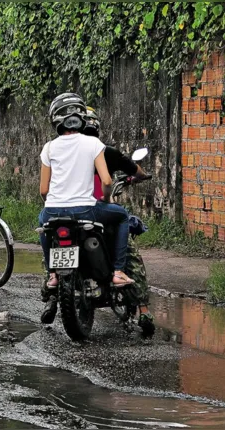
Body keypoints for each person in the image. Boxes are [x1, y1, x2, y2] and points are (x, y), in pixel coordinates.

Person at [39, 93, 135, 325]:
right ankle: (118, 271)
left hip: (52, 209)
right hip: (85, 210)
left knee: (44, 227)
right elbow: (107, 181)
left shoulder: (49, 147)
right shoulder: (93, 143)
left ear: (55, 120)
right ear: (82, 117)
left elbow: (43, 189)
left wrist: (54, 204)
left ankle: (52, 275)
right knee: (122, 216)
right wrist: (104, 199)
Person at [85, 107, 153, 329]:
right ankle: (143, 310)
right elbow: (136, 172)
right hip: (99, 211)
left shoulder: (61, 152)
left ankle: (51, 285)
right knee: (130, 250)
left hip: (68, 211)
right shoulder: (107, 152)